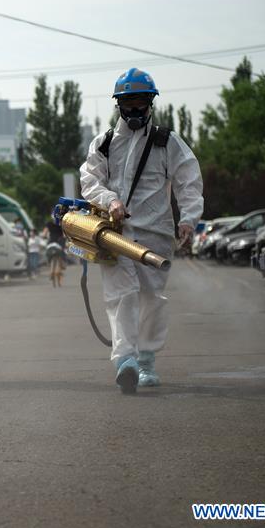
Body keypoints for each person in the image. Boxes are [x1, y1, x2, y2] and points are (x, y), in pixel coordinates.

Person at [79, 68, 203, 393]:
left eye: (140, 104)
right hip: (115, 235)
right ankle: (126, 361)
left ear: (150, 104)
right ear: (118, 105)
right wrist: (109, 200)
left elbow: (189, 181)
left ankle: (146, 359)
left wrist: (189, 219)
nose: (134, 110)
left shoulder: (167, 142)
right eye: (128, 104)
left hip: (156, 236)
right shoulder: (105, 143)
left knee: (152, 299)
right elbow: (89, 181)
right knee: (123, 296)